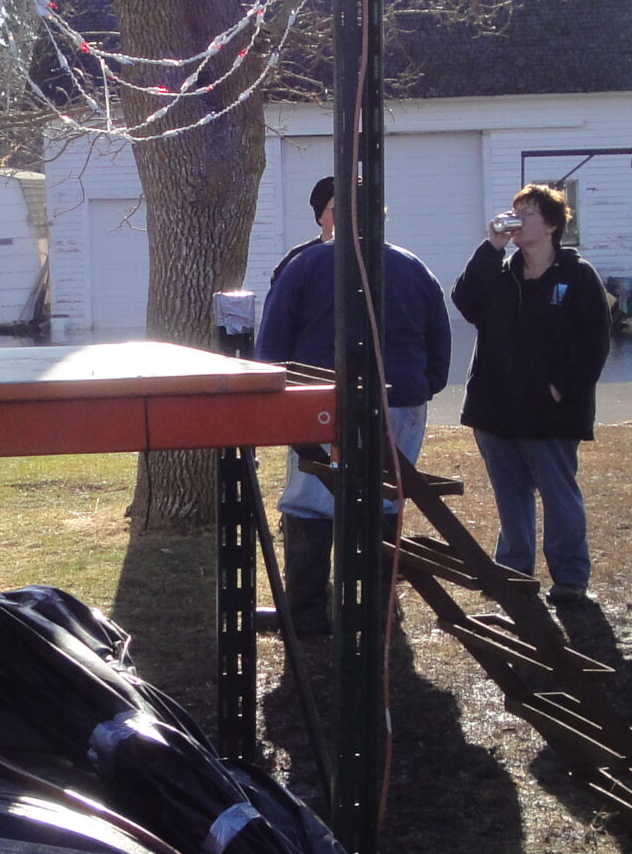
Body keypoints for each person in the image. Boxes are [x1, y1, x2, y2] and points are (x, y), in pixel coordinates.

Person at [255, 174, 452, 634]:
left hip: (321, 402)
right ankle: (375, 611)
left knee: (309, 502)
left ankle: (306, 612)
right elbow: (438, 340)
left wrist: (277, 402)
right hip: (401, 400)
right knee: (383, 499)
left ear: (335, 215)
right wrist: (421, 387)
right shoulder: (413, 267)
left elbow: (273, 339)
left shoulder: (304, 266)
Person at [450, 183, 613, 600]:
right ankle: (514, 572)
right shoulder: (499, 273)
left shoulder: (577, 276)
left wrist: (561, 390)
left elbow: (594, 342)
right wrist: (490, 248)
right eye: (514, 211)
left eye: (528, 214)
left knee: (560, 497)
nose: (516, 221)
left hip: (550, 412)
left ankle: (570, 579)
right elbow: (465, 300)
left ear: (553, 225)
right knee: (511, 496)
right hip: (494, 409)